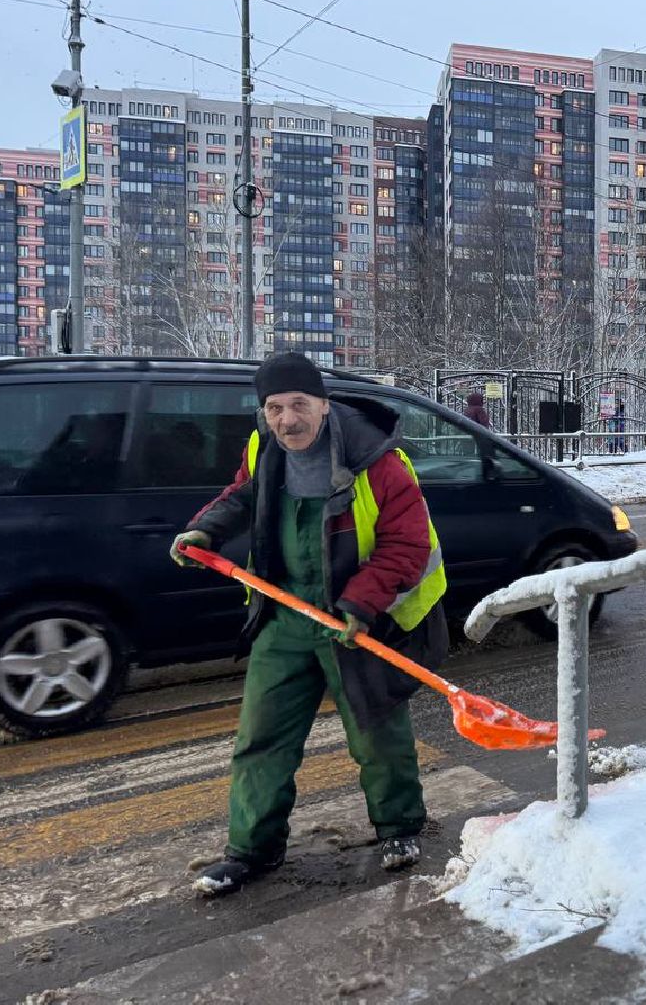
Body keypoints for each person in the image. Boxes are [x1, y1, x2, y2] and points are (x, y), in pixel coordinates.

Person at [169, 352, 447, 898]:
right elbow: (246, 494)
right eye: (274, 407)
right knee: (262, 738)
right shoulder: (264, 447)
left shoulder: (378, 462)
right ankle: (252, 849)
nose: (287, 419)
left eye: (299, 405)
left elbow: (408, 544)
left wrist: (361, 603)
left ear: (324, 404)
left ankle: (399, 829)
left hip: (356, 618)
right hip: (285, 615)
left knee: (377, 734)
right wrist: (206, 529)